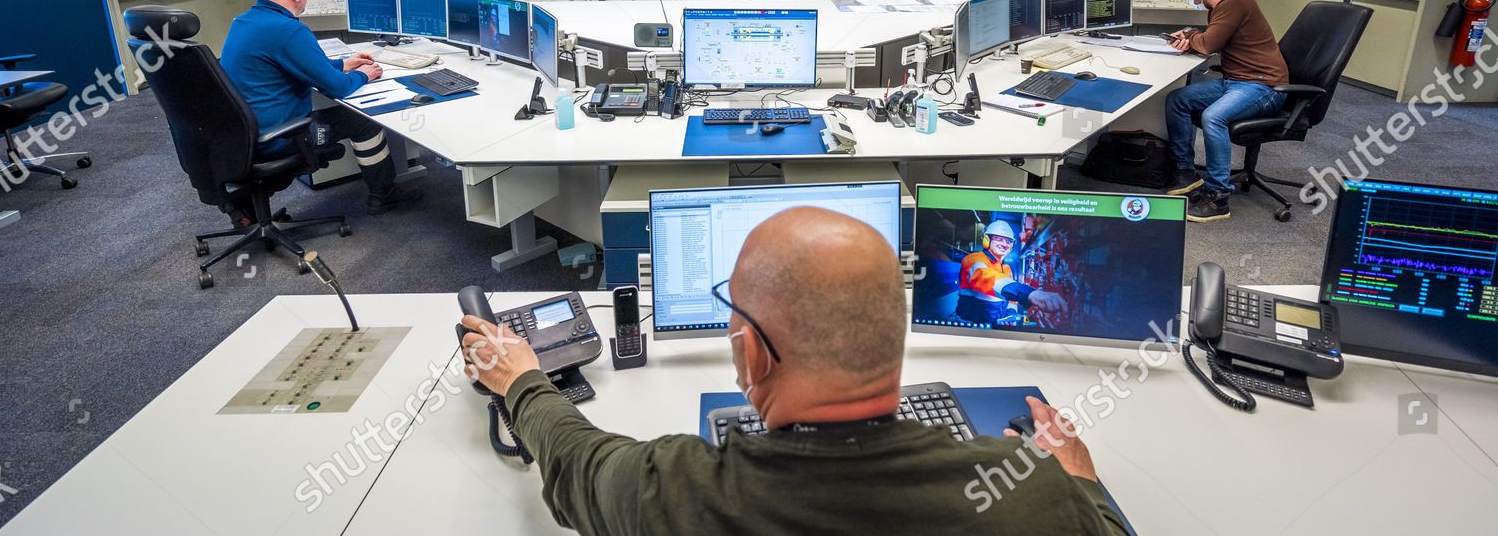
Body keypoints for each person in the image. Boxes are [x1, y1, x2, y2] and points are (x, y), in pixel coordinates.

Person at [460, 207, 1127, 535]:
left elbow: (577, 464)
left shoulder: (677, 495)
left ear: (752, 356)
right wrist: (1081, 482)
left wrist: (520, 379)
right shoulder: (1032, 499)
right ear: (894, 339)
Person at [221, 0, 421, 216]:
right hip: (278, 137)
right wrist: (363, 74)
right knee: (362, 121)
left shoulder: (244, 22)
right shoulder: (288, 29)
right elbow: (337, 88)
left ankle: (244, 208)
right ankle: (383, 194)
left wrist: (343, 63)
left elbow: (293, 63)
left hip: (243, 135)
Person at [1164, 0, 1289, 223]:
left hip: (1263, 86)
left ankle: (1218, 196)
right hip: (1237, 80)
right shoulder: (1227, 0)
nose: (1192, 0)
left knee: (1213, 117)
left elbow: (1209, 43)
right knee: (1178, 99)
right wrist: (1190, 35)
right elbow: (1209, 38)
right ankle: (1185, 172)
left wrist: (1191, 37)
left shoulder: (1235, 3)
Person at [957, 219, 1069, 326]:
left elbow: (1011, 299)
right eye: (999, 239)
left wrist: (1010, 313)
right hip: (972, 325)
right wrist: (1030, 293)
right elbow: (987, 278)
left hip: (995, 323)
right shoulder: (973, 259)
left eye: (1008, 241)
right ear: (986, 240)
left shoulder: (1006, 268)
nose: (1005, 244)